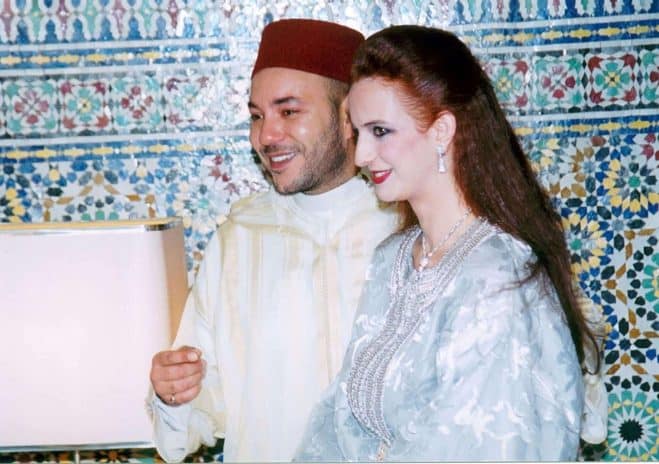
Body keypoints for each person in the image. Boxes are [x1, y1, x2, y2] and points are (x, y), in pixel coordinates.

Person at [294, 25, 605, 461]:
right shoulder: (393, 259)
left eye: (380, 131)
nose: (362, 155)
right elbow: (338, 419)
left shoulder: (496, 277)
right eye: (359, 133)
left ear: (442, 131)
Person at [147, 19, 398, 463]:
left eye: (289, 111)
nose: (265, 136)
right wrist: (173, 393)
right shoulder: (240, 239)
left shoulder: (405, 228)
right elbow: (193, 419)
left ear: (349, 118)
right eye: (257, 116)